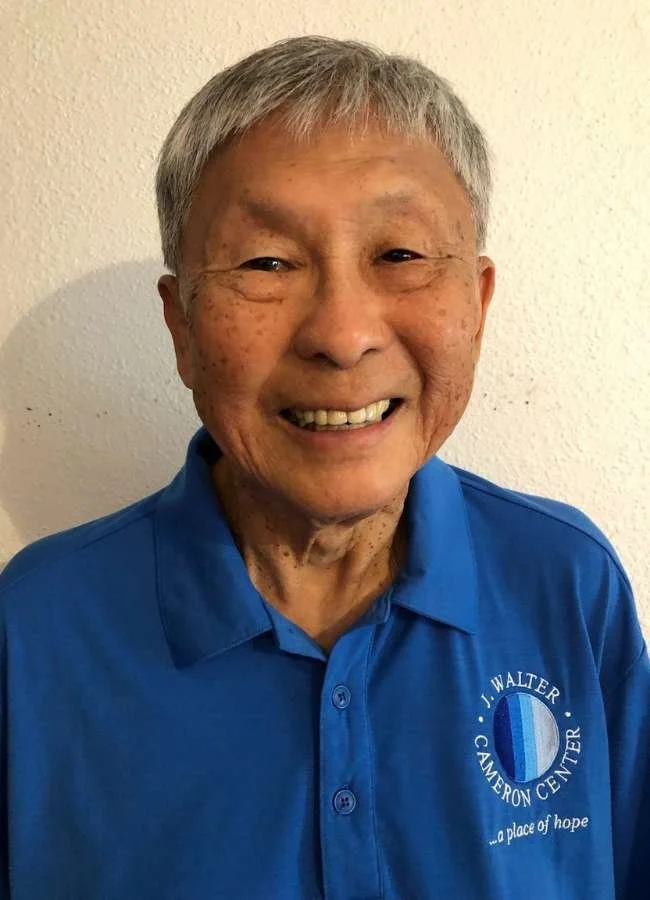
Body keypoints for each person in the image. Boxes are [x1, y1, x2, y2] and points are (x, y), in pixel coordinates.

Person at [0, 34, 647, 900]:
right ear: (181, 326)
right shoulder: (35, 628)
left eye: (401, 255)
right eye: (267, 262)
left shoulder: (565, 580)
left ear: (479, 302)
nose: (343, 336)